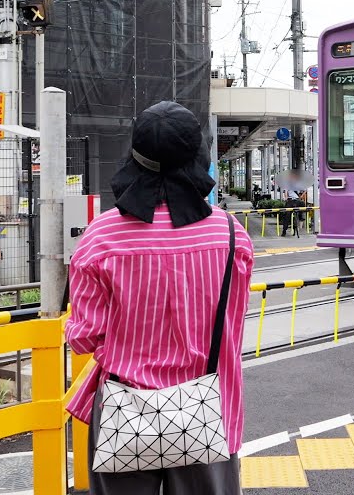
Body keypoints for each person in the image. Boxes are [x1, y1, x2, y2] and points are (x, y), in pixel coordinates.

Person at [66, 101, 254, 494]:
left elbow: (83, 338)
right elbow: (232, 323)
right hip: (207, 409)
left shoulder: (101, 239)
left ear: (135, 158)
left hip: (124, 409)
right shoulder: (231, 236)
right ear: (197, 158)